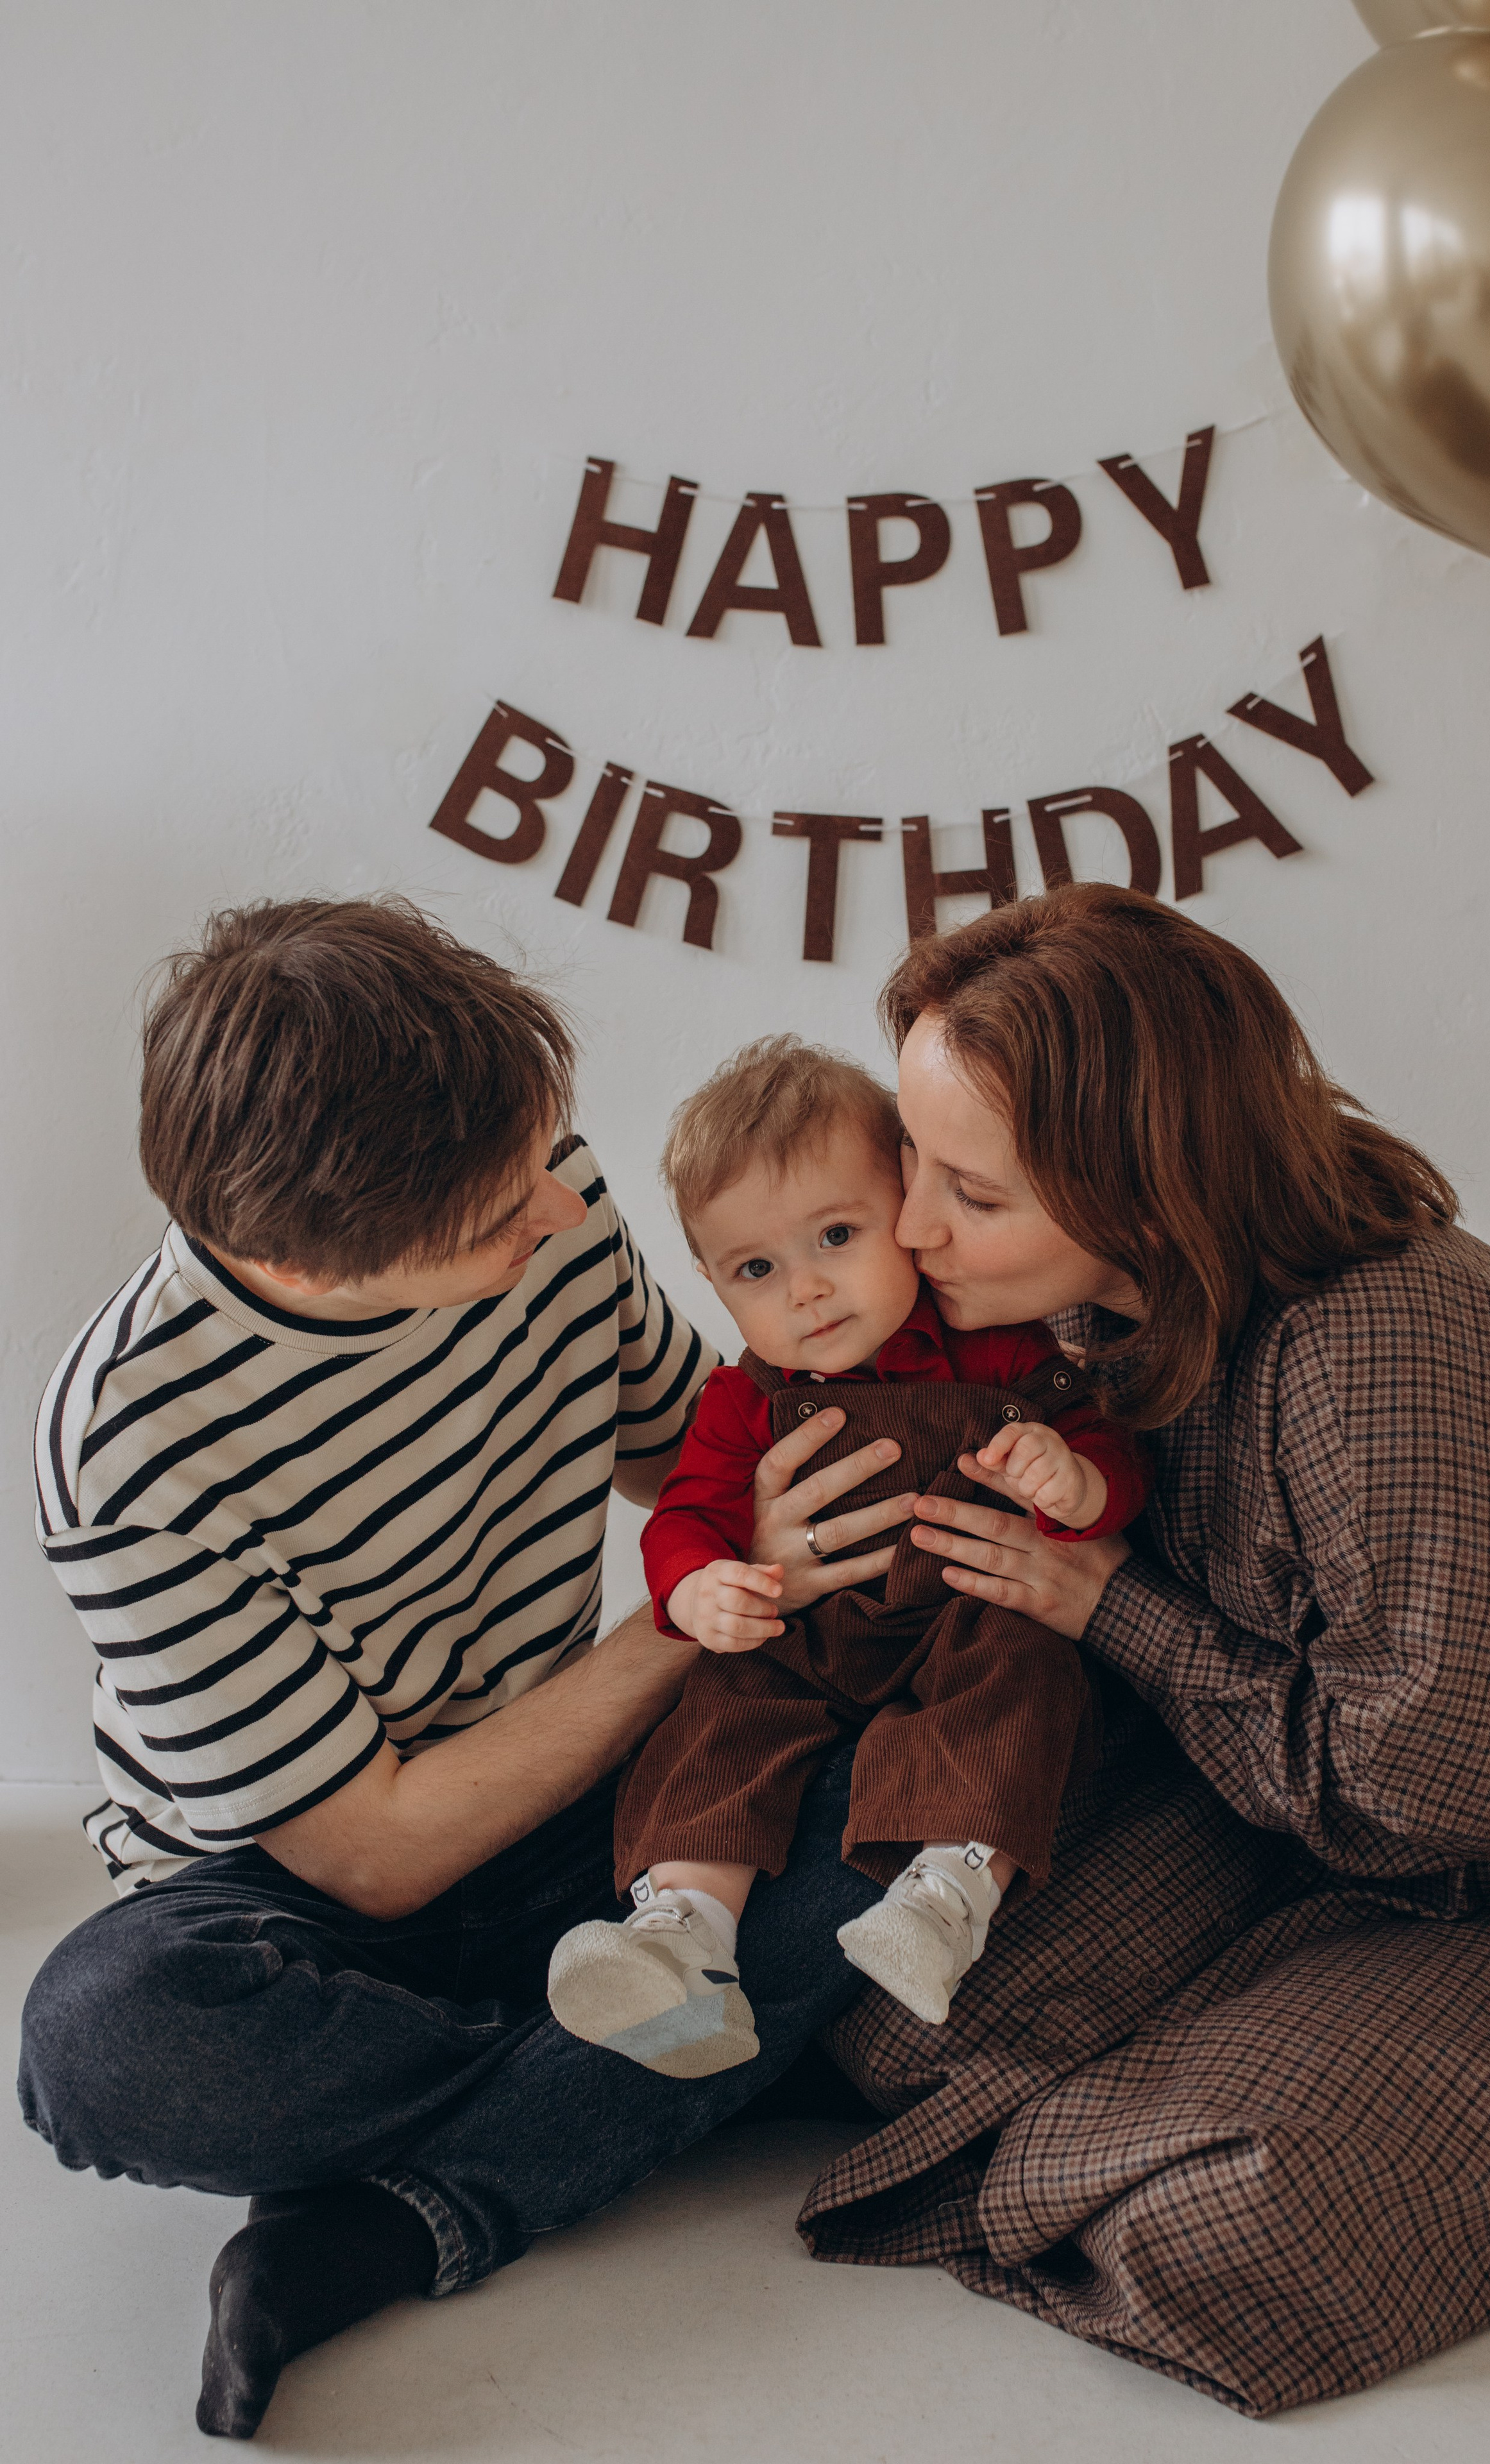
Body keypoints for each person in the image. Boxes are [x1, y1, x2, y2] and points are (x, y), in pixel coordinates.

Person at [15, 897, 918, 2442]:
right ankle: (687, 2061)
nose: (563, 1215)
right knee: (107, 2044)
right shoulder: (132, 1445)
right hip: (297, 1896)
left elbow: (685, 1449)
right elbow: (374, 1851)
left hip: (579, 1803)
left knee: (952, 1764)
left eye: (544, 1162)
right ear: (310, 1258)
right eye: (501, 1217)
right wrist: (685, 1618)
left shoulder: (540, 1180)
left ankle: (374, 2220)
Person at [789, 879, 1490, 2418]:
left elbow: (1417, 1793)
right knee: (894, 2018)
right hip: (1284, 1799)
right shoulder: (1106, 1308)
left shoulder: (1373, 1354)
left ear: (1138, 1186)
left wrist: (1102, 1602)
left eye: (971, 1196)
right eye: (914, 1159)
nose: (914, 1227)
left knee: (1231, 2215)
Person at [545, 1036, 1147, 2070]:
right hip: (809, 1638)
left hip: (963, 1613)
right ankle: (683, 1937)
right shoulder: (746, 1397)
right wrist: (699, 1589)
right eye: (757, 1269)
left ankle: (948, 1893)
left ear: (908, 1209)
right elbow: (687, 1513)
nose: (807, 1291)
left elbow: (1103, 1448)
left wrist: (1074, 1480)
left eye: (836, 1234)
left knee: (1024, 1674)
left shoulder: (994, 1347)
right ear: (710, 1281)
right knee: (717, 1716)